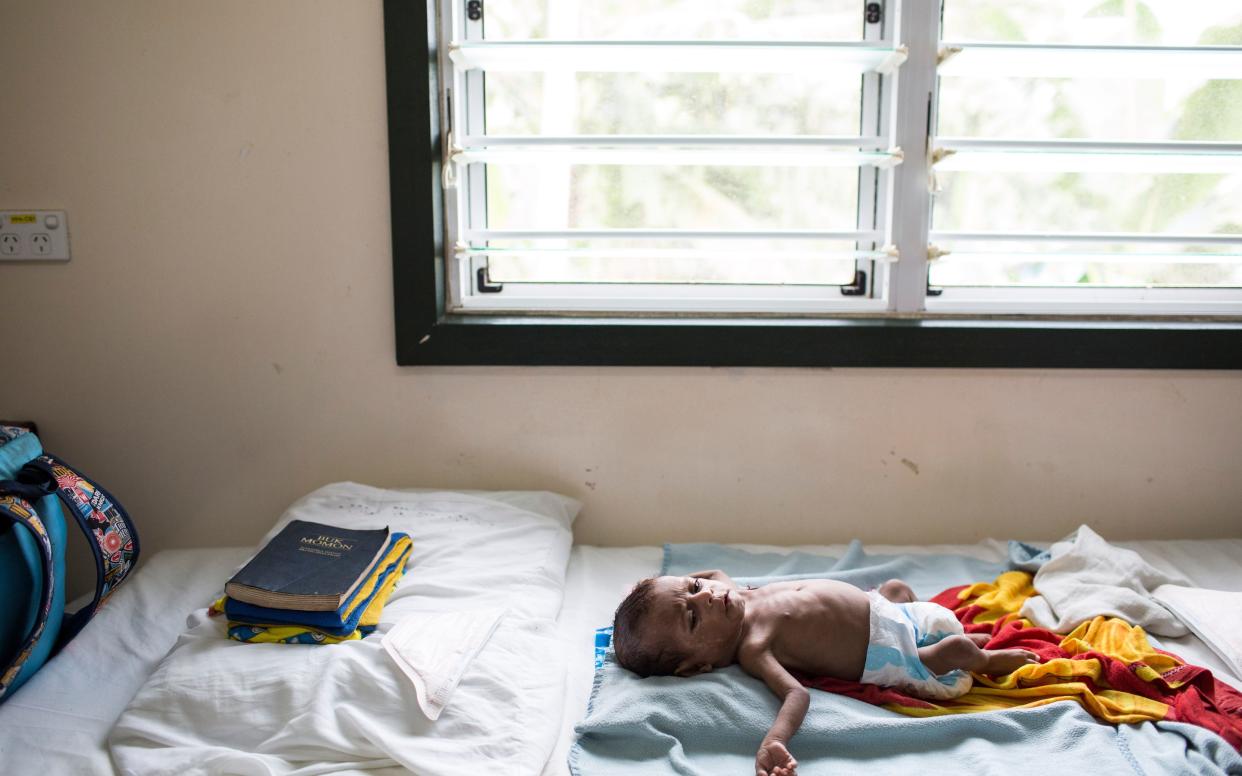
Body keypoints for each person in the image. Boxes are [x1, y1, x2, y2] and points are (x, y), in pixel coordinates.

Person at [611, 570, 1039, 776]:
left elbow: (707, 575)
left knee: (896, 586)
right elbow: (797, 695)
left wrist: (645, 590)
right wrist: (774, 740)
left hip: (885, 608)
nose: (706, 596)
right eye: (690, 617)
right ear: (697, 666)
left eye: (692, 587)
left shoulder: (731, 590)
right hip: (896, 652)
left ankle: (932, 626)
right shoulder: (754, 647)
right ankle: (986, 661)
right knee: (957, 649)